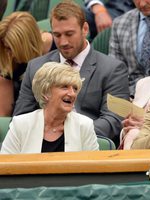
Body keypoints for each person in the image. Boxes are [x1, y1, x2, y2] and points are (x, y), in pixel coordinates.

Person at [13, 1, 130, 146]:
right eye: (57, 35)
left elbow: (113, 120)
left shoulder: (112, 69)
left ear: (85, 29)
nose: (63, 42)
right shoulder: (35, 67)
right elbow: (21, 116)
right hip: (41, 146)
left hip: (88, 147)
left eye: (69, 34)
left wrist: (67, 133)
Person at [1, 62, 99, 154]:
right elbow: (5, 165)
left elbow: (95, 168)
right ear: (46, 92)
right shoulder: (20, 124)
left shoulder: (84, 125)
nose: (72, 94)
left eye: (75, 88)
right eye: (64, 87)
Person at [0, 11, 43, 116]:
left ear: (28, 44)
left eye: (11, 48)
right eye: (6, 47)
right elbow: (3, 116)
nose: (10, 55)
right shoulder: (10, 62)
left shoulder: (58, 50)